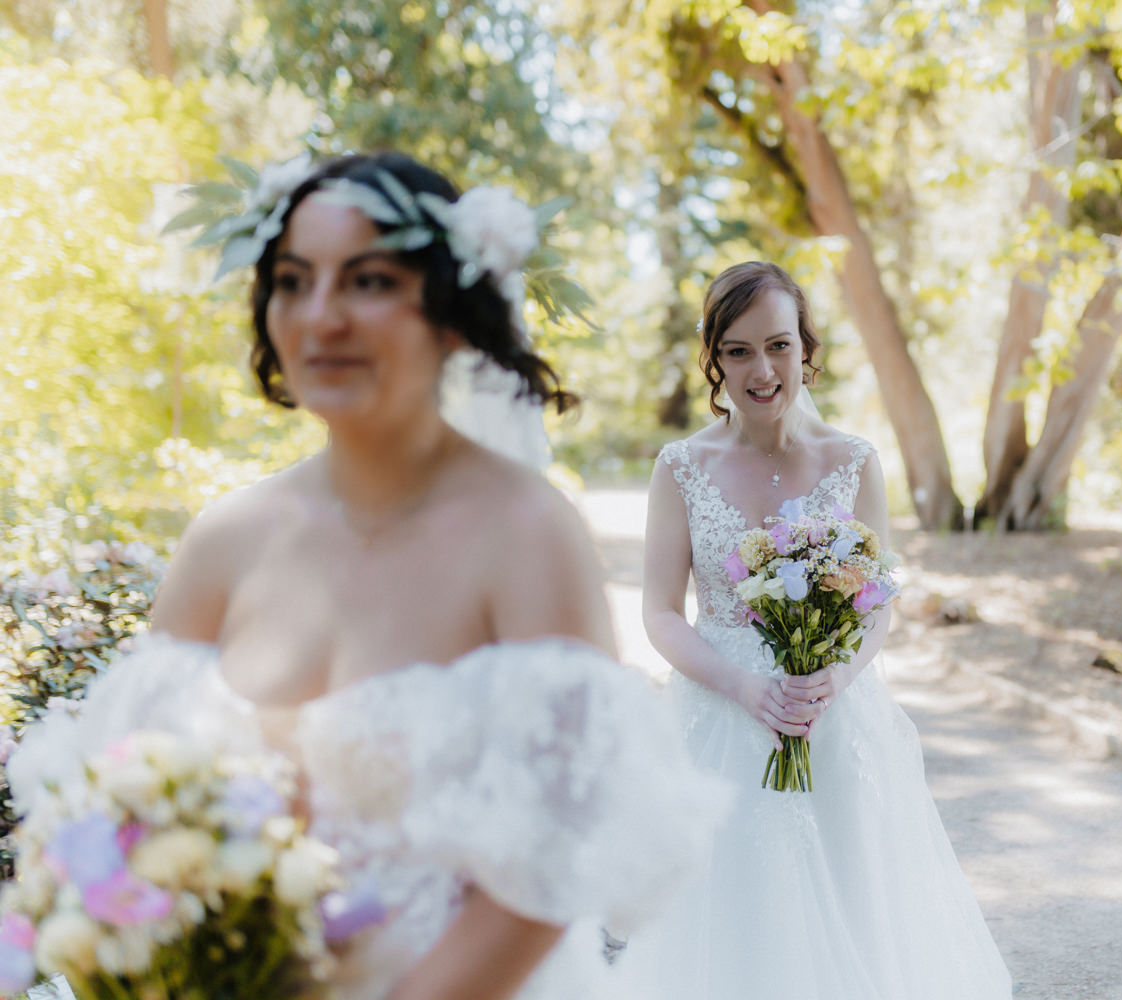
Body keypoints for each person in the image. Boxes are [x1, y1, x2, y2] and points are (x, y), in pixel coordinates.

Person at [7, 152, 725, 1000]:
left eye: (370, 281)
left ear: (452, 313)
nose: (322, 317)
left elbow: (550, 858)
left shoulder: (527, 534)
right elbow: (125, 803)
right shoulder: (226, 540)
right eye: (293, 281)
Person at [618, 261, 1013, 999]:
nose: (762, 370)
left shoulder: (853, 461)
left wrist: (838, 675)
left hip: (831, 715)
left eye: (778, 345)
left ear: (806, 347)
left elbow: (876, 601)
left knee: (853, 903)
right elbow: (661, 612)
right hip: (719, 719)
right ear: (714, 359)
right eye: (738, 351)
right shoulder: (681, 467)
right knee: (728, 916)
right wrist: (743, 686)